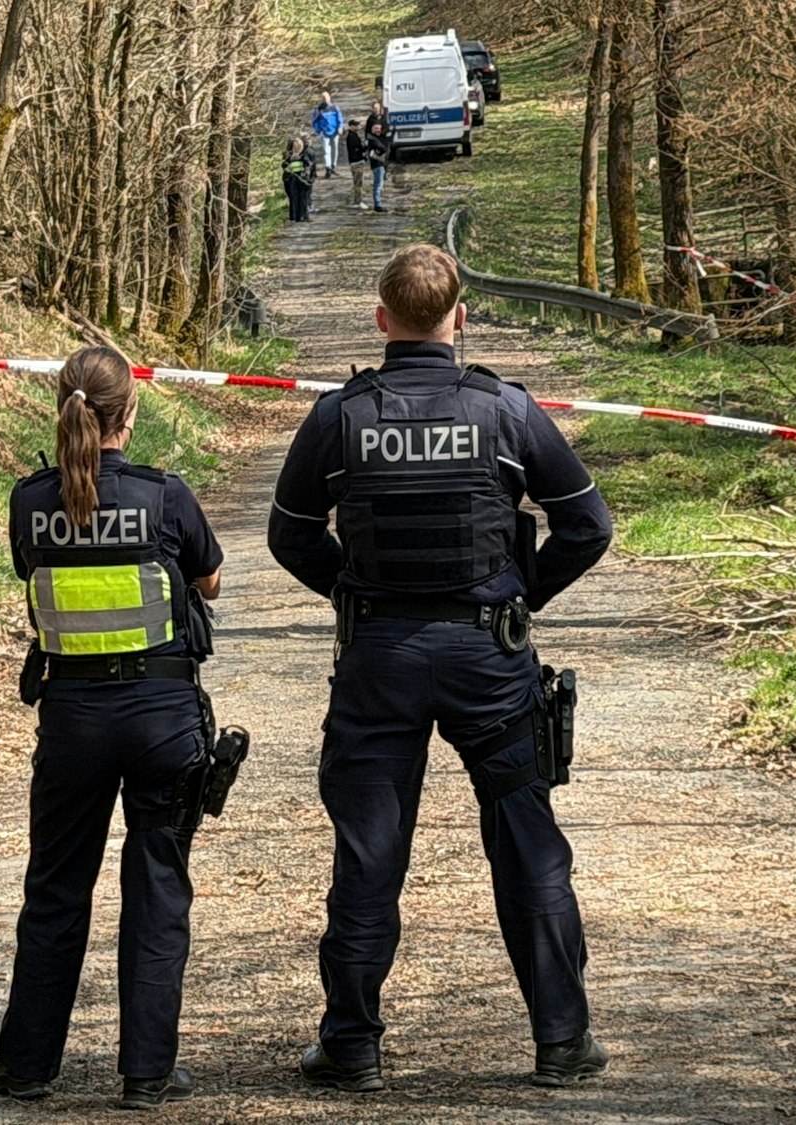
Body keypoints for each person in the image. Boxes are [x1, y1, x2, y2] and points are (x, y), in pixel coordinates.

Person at [267, 245, 615, 1091]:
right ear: (460, 318)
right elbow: (588, 527)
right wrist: (517, 594)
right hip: (488, 659)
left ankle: (352, 1046)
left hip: (380, 656)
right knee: (527, 842)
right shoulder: (507, 412)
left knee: (369, 852)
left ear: (381, 319)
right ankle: (562, 1042)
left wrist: (354, 587)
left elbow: (289, 534)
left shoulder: (340, 417)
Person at [0, 347, 226, 1111]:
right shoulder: (166, 496)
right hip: (161, 720)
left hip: (72, 721)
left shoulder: (29, 503)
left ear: (64, 408)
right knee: (157, 891)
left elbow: (32, 568)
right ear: (133, 413)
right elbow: (208, 579)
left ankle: (26, 1065)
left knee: (54, 889)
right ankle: (146, 1072)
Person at [310, 91, 343, 178]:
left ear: (329, 98)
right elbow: (315, 121)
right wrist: (318, 131)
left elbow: (340, 118)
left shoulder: (335, 107)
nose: (325, 99)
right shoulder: (318, 109)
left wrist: (340, 128)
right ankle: (328, 168)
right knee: (326, 151)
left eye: (326, 98)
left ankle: (333, 166)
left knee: (335, 150)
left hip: (335, 132)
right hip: (324, 133)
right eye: (323, 98)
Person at [282, 135, 314, 222]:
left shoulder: (291, 157)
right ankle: (301, 216)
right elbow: (309, 165)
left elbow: (285, 166)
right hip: (300, 179)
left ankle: (297, 216)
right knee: (301, 198)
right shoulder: (300, 156)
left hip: (295, 180)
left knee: (296, 198)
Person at [364, 121, 391, 213]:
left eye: (379, 128)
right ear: (372, 130)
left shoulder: (381, 138)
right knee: (378, 185)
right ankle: (377, 205)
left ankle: (378, 203)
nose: (378, 130)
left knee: (380, 184)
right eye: (375, 128)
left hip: (382, 164)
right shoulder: (372, 139)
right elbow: (383, 148)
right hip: (377, 165)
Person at [343, 121, 367, 210]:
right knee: (358, 183)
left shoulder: (354, 135)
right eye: (356, 125)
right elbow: (358, 148)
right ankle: (358, 201)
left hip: (357, 161)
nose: (357, 127)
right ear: (351, 126)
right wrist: (364, 147)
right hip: (356, 162)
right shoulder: (351, 136)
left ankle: (358, 201)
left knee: (358, 182)